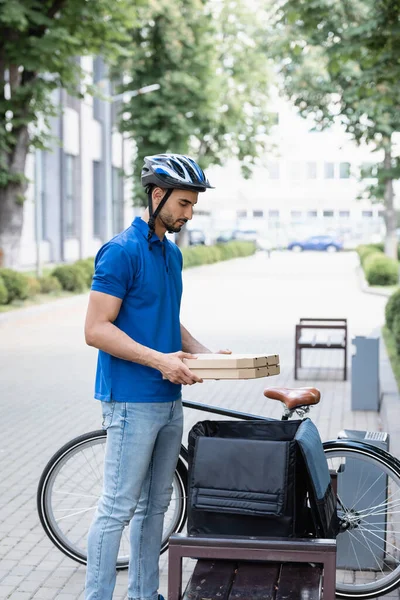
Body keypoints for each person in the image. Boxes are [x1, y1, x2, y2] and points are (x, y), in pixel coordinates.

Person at [84, 153, 230, 600]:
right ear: (157, 194)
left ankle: (145, 594)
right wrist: (160, 361)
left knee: (157, 508)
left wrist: (203, 354)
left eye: (192, 206)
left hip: (168, 399)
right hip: (131, 399)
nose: (188, 213)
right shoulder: (121, 251)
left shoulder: (171, 254)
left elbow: (166, 318)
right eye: (183, 204)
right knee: (117, 509)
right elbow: (96, 329)